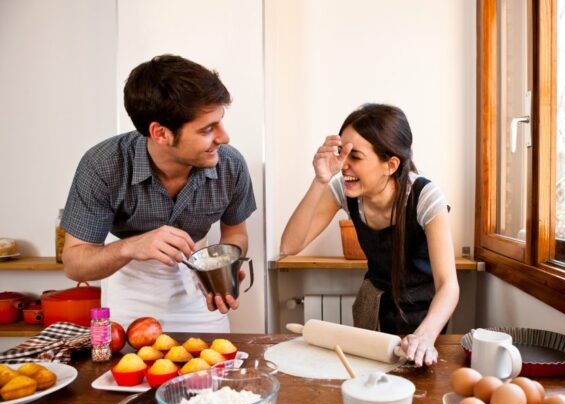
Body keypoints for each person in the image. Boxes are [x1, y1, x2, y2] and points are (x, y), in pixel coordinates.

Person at [61, 55, 256, 332]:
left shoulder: (231, 164)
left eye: (220, 122)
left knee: (211, 373)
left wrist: (223, 266)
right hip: (129, 300)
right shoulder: (102, 165)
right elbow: (74, 264)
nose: (224, 137)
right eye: (207, 129)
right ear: (161, 133)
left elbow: (236, 233)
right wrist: (131, 246)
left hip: (202, 299)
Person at [281, 103, 459, 366]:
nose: (343, 166)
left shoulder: (425, 196)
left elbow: (448, 285)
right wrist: (320, 180)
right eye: (342, 153)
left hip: (425, 317)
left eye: (356, 157)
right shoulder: (343, 190)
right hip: (372, 306)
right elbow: (289, 245)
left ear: (390, 164)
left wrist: (424, 336)